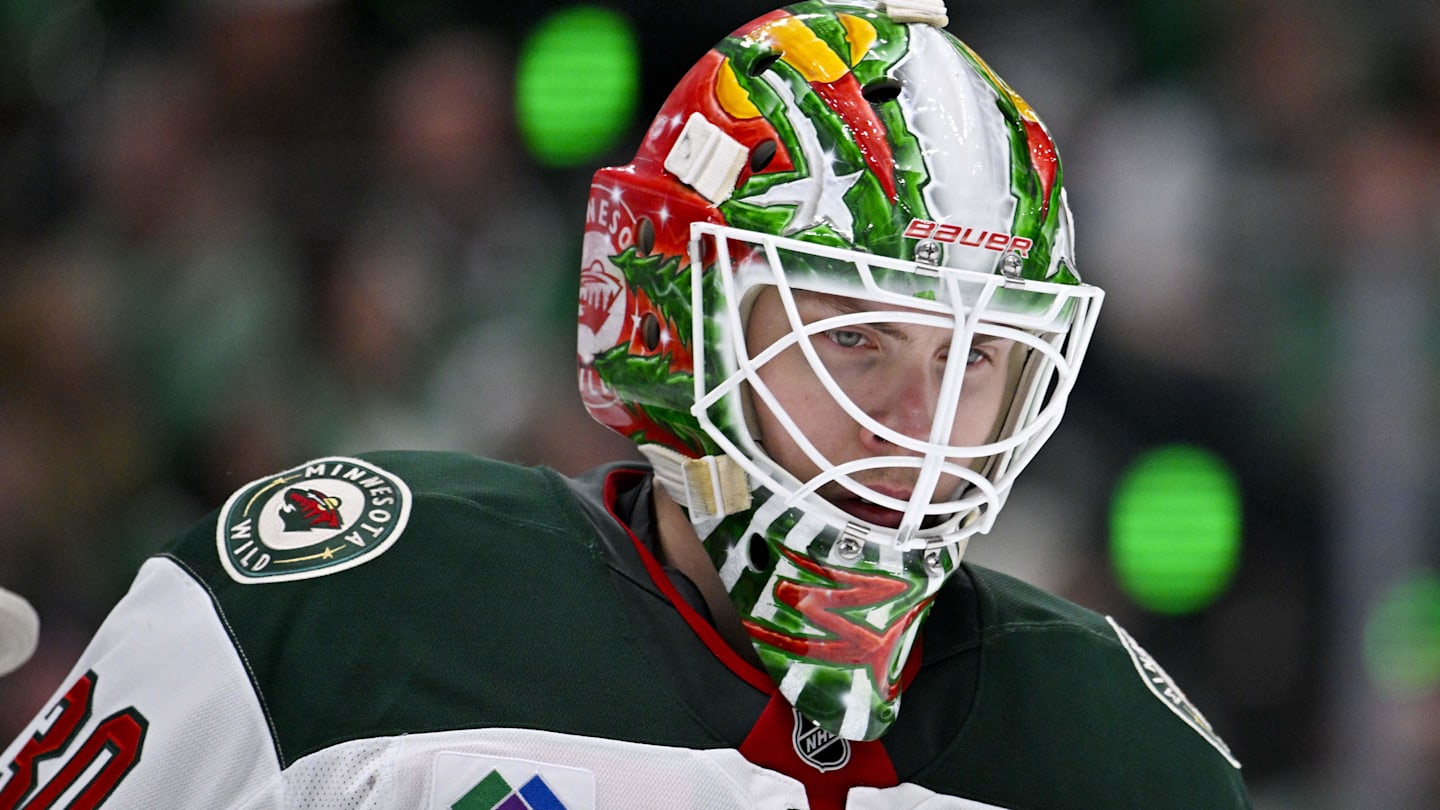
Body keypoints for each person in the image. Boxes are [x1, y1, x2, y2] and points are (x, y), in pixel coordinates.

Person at [0, 1, 1249, 807]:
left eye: (974, 360)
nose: (916, 425)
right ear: (676, 330)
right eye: (855, 336)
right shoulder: (340, 622)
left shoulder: (1125, 759)